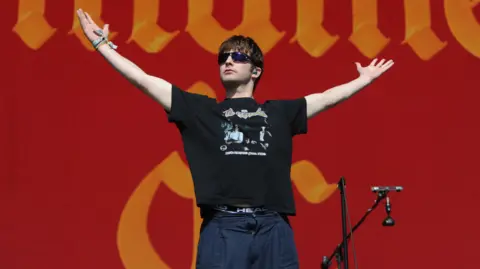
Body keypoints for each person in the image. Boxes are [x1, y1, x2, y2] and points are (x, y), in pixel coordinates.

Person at [76, 9, 394, 269]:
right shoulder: (201, 111)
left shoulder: (279, 113)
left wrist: (362, 80)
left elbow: (324, 98)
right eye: (223, 57)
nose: (228, 61)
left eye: (238, 57)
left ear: (255, 71)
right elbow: (145, 81)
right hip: (224, 227)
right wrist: (103, 46)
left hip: (273, 227)